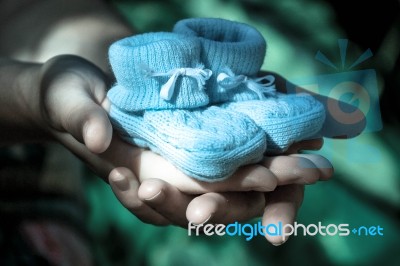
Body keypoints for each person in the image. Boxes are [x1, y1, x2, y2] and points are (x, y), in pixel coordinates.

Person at [0, 0, 359, 264]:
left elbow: (27, 8)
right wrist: (30, 95)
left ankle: (190, 94)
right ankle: (149, 107)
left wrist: (136, 66)